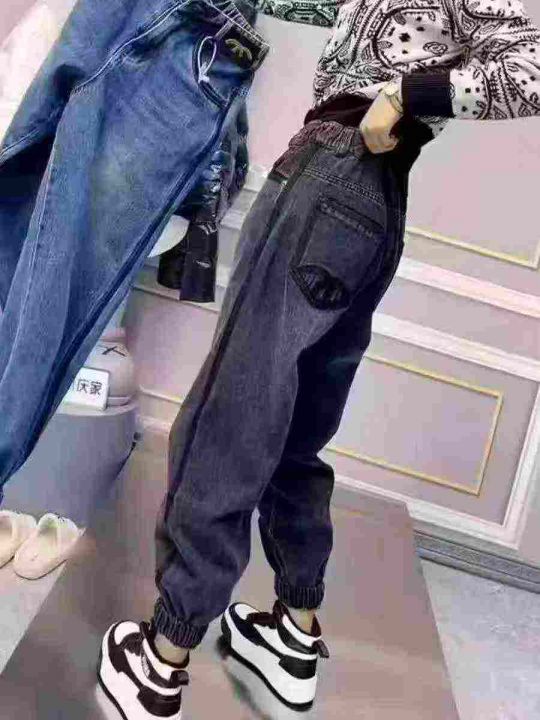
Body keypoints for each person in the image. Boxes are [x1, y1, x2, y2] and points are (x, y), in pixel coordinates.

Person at [98, 1, 540, 718]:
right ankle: (293, 631)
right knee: (299, 429)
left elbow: (532, 66)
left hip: (331, 171)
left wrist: (408, 94)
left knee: (232, 414)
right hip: (378, 200)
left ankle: (161, 659)